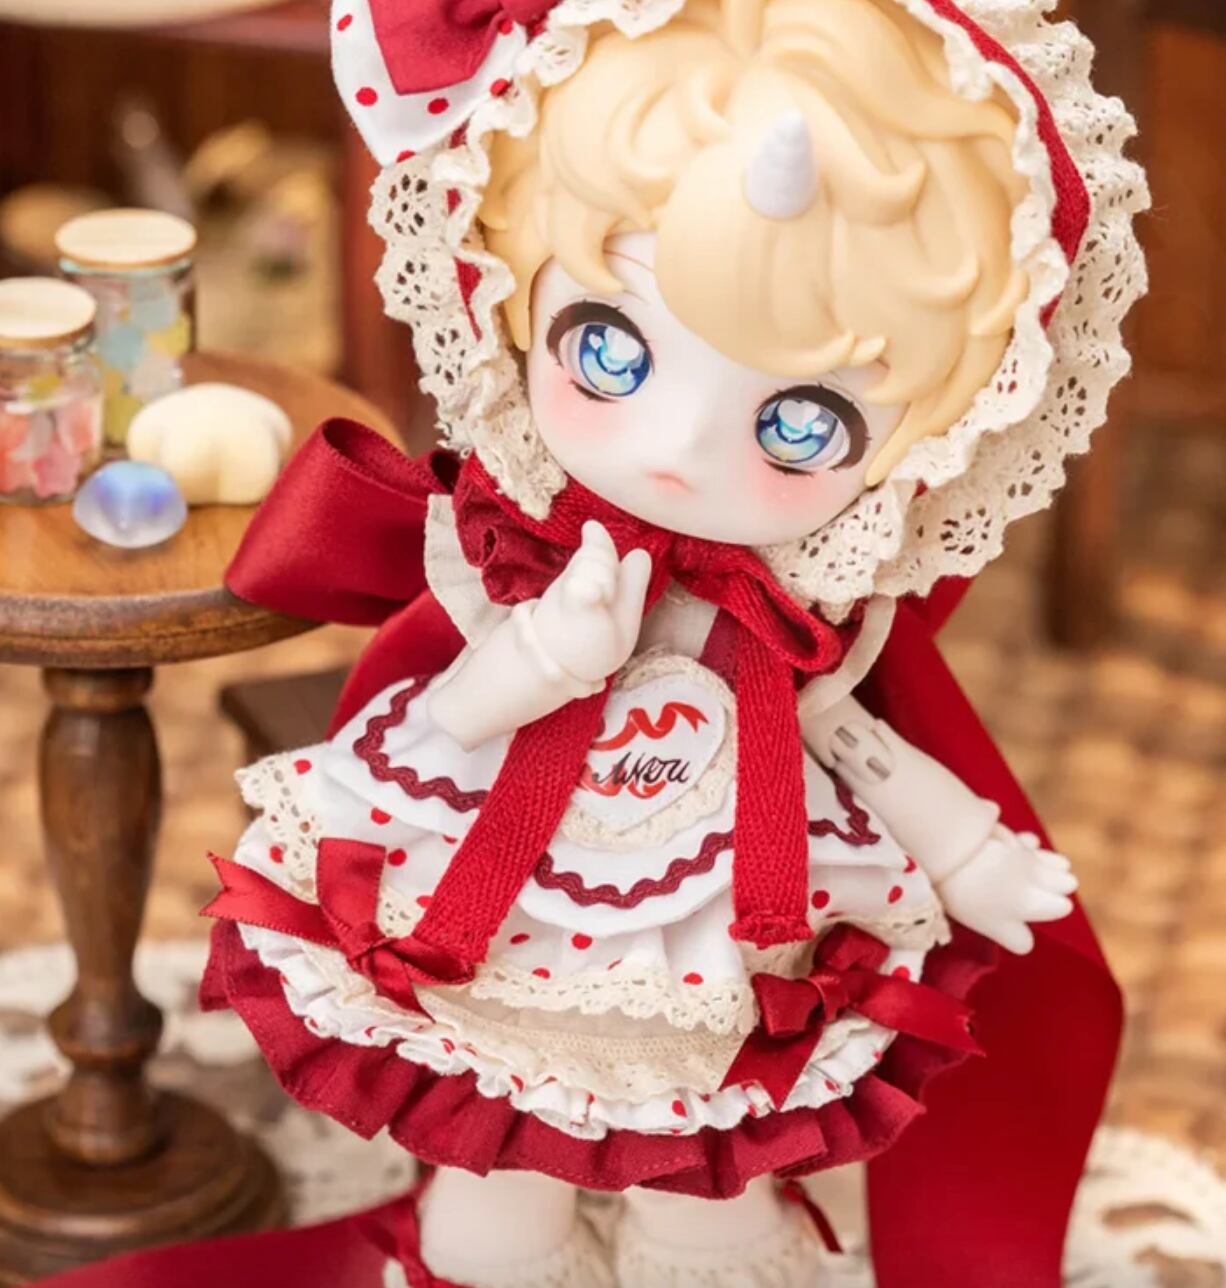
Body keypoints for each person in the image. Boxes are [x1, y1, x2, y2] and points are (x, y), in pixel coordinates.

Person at [201, 0, 1148, 1282]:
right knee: (493, 1190)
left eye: (801, 423)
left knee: (709, 1192)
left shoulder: (794, 611)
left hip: (722, 936)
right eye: (607, 349)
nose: (675, 450)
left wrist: (970, 851)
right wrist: (544, 657)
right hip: (504, 901)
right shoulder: (517, 559)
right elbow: (447, 719)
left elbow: (848, 735)